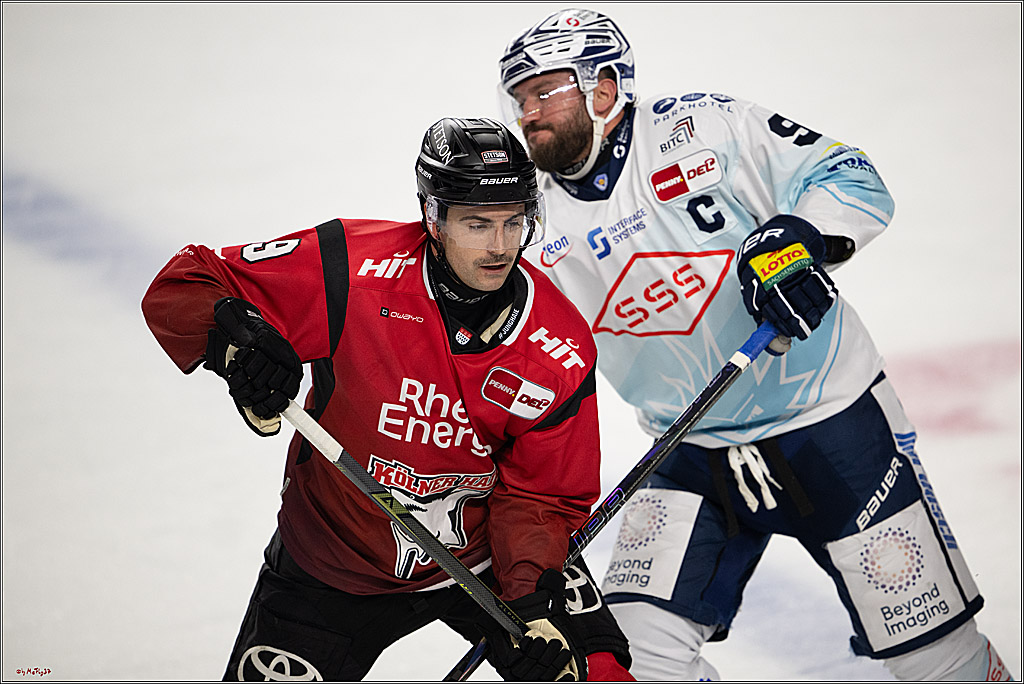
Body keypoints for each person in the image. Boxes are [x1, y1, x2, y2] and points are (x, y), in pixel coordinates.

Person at [495, 8, 1014, 681]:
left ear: (604, 90)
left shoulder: (701, 128)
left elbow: (850, 175)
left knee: (937, 659)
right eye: (519, 99)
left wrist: (798, 239)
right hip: (687, 452)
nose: (528, 113)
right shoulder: (528, 219)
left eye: (544, 92)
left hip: (831, 426)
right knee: (636, 660)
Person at [141, 117, 634, 681]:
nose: (500, 247)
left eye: (513, 222)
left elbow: (543, 495)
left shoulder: (560, 347)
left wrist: (528, 597)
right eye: (477, 224)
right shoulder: (350, 270)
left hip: (485, 559)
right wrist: (238, 343)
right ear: (433, 216)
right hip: (333, 560)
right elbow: (188, 280)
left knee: (596, 672)